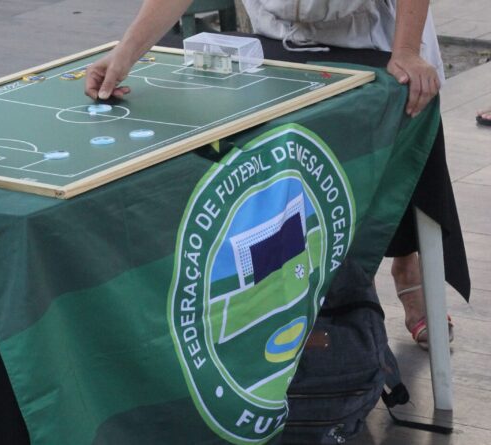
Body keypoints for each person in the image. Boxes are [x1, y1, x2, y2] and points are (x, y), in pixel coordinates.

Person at [86, 0, 459, 349]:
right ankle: (302, 299)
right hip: (272, 38)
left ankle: (407, 266)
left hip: (371, 35)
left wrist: (407, 50)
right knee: (286, 169)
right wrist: (126, 52)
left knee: (397, 153)